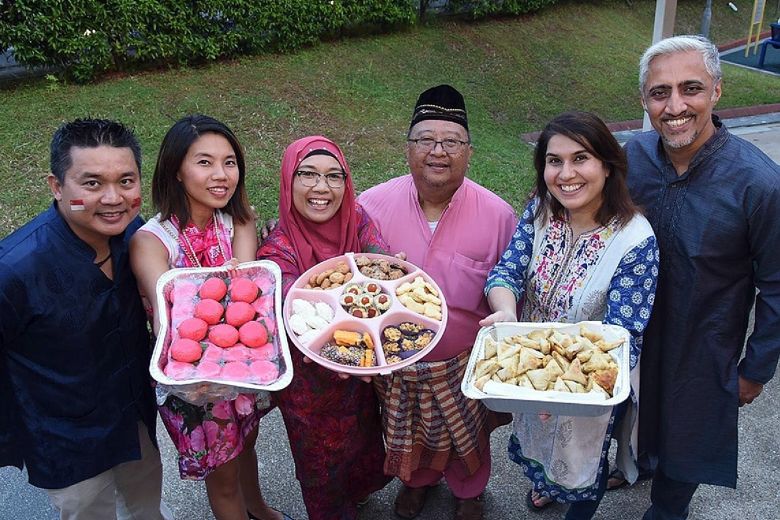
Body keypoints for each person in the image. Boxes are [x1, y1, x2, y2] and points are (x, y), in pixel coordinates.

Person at [625, 35, 780, 520]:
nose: (674, 106)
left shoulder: (759, 183)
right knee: (629, 417)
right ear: (644, 101)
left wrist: (756, 368)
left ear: (717, 90)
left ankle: (667, 509)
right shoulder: (634, 159)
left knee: (686, 436)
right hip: (632, 332)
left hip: (703, 343)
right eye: (659, 92)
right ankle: (633, 463)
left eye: (690, 88)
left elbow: (776, 283)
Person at [480, 111, 659, 519]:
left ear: (608, 166)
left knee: (583, 463)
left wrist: (565, 392)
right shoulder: (541, 212)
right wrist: (506, 311)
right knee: (540, 442)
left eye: (581, 158)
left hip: (591, 384)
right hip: (534, 371)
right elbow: (507, 271)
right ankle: (546, 483)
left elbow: (622, 336)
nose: (566, 174)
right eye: (554, 160)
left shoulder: (635, 241)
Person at [357, 84, 517, 520]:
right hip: (397, 364)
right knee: (409, 436)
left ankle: (470, 492)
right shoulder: (368, 207)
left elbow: (513, 283)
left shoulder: (500, 216)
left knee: (469, 440)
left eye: (451, 142)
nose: (438, 151)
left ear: (469, 151)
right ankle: (417, 484)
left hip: (462, 365)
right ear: (408, 148)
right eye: (425, 140)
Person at [0, 118, 172, 520]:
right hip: (65, 441)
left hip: (135, 420)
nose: (113, 198)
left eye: (127, 181)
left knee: (148, 508)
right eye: (91, 184)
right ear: (57, 187)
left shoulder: (136, 236)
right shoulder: (15, 270)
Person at [130, 114, 283, 520]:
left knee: (248, 442)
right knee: (223, 475)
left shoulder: (238, 220)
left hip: (241, 365)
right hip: (195, 383)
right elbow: (172, 327)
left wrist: (240, 286)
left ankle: (258, 506)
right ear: (176, 171)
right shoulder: (151, 242)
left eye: (229, 162)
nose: (221, 174)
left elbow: (251, 303)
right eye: (204, 162)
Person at [257, 135, 391, 520]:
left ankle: (360, 493)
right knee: (322, 466)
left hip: (363, 376)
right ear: (288, 180)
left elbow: (379, 259)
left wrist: (392, 266)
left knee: (364, 443)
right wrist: (350, 357)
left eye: (335, 176)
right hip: (310, 390)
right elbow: (294, 318)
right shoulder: (277, 249)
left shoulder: (357, 217)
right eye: (308, 175)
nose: (322, 188)